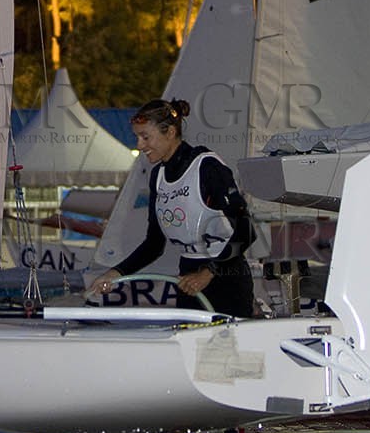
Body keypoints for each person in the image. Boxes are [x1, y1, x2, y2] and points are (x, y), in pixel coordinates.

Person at [85, 99, 255, 317]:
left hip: (226, 278)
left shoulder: (207, 167)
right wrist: (114, 274)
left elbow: (246, 231)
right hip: (188, 280)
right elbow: (153, 244)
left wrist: (208, 273)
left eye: (146, 137)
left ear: (170, 132)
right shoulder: (158, 176)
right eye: (137, 137)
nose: (139, 145)